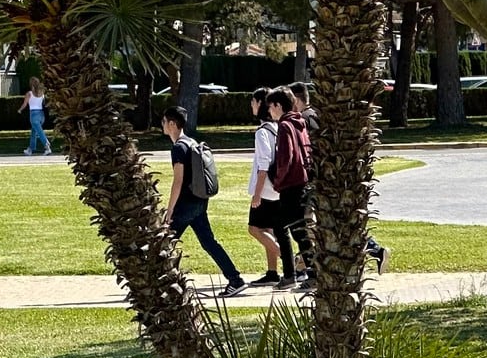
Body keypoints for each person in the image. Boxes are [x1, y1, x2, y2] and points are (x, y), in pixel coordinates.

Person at [289, 81, 381, 273]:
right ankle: (303, 263)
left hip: (315, 179)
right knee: (315, 222)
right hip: (320, 178)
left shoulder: (305, 119)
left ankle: (373, 249)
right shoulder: (312, 115)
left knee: (312, 223)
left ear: (296, 100)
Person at [160, 105, 246, 296]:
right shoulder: (191, 142)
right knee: (209, 242)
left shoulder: (178, 148)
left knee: (164, 244)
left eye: (164, 122)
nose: (163, 125)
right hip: (199, 201)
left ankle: (162, 286)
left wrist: (170, 209)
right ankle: (235, 279)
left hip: (185, 205)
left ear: (172, 124)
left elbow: (178, 181)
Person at [244, 87, 286, 285]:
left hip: (266, 189)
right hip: (277, 188)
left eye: (253, 102)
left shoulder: (262, 132)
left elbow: (263, 165)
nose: (251, 106)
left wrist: (257, 194)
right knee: (268, 229)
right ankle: (272, 272)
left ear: (260, 104)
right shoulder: (277, 127)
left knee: (254, 229)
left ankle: (289, 260)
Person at [21, 80, 51, 156]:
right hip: (41, 115)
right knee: (34, 132)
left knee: (39, 131)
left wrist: (19, 110)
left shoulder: (29, 94)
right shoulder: (42, 93)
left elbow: (24, 104)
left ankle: (46, 145)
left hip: (34, 115)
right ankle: (30, 149)